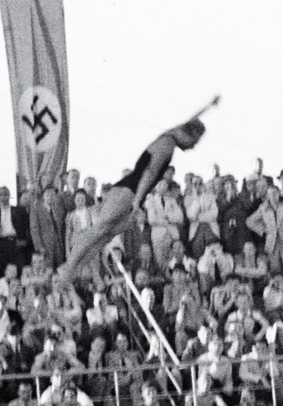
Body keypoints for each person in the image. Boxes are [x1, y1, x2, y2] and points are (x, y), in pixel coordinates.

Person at [57, 111, 211, 286]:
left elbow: (188, 121)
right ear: (187, 134)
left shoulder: (171, 134)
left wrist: (208, 107)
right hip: (129, 191)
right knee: (99, 229)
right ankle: (69, 266)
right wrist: (138, 201)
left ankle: (74, 268)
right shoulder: (167, 144)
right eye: (194, 142)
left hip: (131, 191)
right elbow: (149, 172)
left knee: (105, 236)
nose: (193, 147)